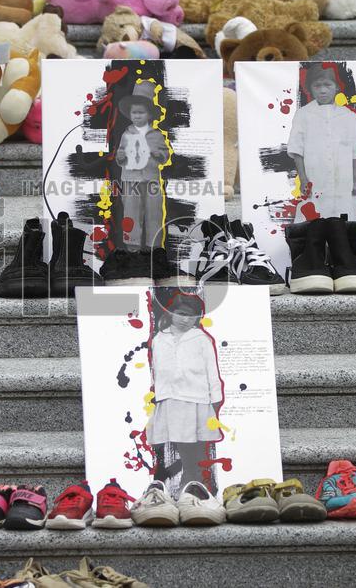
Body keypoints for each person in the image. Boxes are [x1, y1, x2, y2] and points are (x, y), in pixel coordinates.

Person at [146, 292, 222, 488]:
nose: (185, 319)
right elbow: (156, 368)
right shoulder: (160, 338)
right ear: (171, 313)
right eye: (181, 313)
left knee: (195, 441)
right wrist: (159, 394)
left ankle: (194, 476)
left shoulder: (200, 339)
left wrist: (215, 399)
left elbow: (211, 370)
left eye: (191, 316)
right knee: (181, 440)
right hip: (171, 397)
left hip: (195, 397)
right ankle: (190, 474)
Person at [287, 64, 356, 222]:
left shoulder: (349, 116)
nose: (323, 90)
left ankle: (344, 244)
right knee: (316, 213)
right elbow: (297, 148)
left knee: (345, 214)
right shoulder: (303, 115)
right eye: (317, 86)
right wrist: (303, 178)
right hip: (315, 177)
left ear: (337, 87)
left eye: (328, 85)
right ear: (310, 88)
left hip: (344, 178)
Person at [113, 80, 170, 251]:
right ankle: (132, 247)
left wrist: (157, 153)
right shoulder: (126, 134)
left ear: (149, 114)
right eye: (134, 113)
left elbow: (165, 156)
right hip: (130, 180)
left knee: (154, 213)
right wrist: (121, 156)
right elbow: (120, 156)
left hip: (151, 180)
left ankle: (154, 247)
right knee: (131, 213)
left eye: (141, 112)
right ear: (130, 115)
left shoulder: (157, 135)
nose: (137, 116)